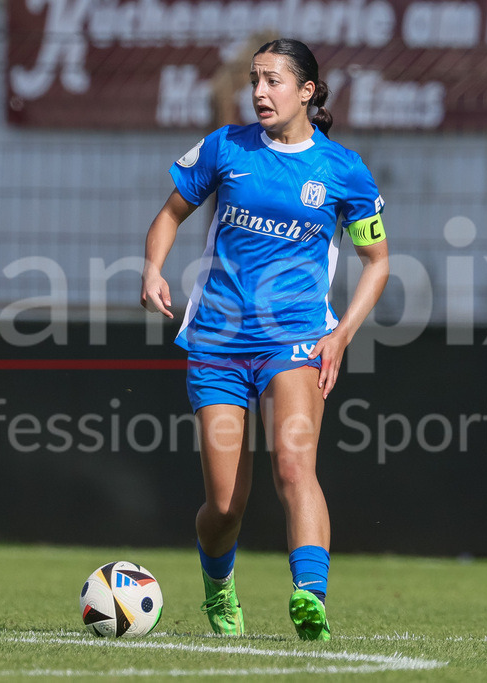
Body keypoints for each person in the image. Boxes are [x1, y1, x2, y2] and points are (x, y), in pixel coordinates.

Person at [140, 38, 389, 641]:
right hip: (218, 342)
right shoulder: (226, 147)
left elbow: (376, 261)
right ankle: (219, 583)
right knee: (225, 505)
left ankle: (310, 596)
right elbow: (170, 214)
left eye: (273, 81)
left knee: (295, 468)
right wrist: (152, 268)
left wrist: (341, 334)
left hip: (297, 339)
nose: (259, 92)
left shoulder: (342, 170)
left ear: (307, 91)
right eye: (254, 80)